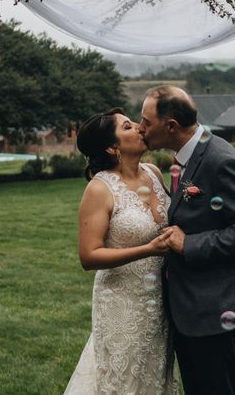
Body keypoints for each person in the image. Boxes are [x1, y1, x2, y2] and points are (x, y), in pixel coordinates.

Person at [139, 86, 235, 395]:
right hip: (197, 305)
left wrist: (190, 244)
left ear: (170, 126)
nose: (141, 127)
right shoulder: (187, 157)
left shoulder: (219, 160)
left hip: (215, 307)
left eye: (146, 121)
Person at [64, 107, 179, 395]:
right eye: (128, 127)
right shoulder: (99, 189)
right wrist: (149, 249)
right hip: (121, 301)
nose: (140, 128)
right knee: (122, 379)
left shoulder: (153, 173)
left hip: (159, 300)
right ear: (112, 147)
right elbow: (89, 256)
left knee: (153, 376)